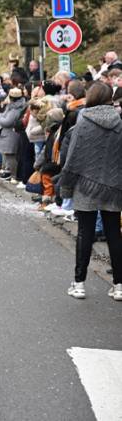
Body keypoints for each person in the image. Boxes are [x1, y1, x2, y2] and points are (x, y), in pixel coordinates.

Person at [57, 82, 122, 301]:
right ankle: (119, 285)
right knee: (114, 234)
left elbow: (73, 154)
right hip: (113, 186)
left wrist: (66, 184)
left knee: (85, 234)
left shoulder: (83, 120)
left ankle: (79, 283)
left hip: (85, 185)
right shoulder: (119, 121)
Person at [0, 87, 27, 183]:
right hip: (7, 133)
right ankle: (8, 171)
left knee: (11, 155)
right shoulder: (11, 106)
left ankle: (14, 175)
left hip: (11, 134)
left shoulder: (15, 109)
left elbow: (7, 121)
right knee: (8, 154)